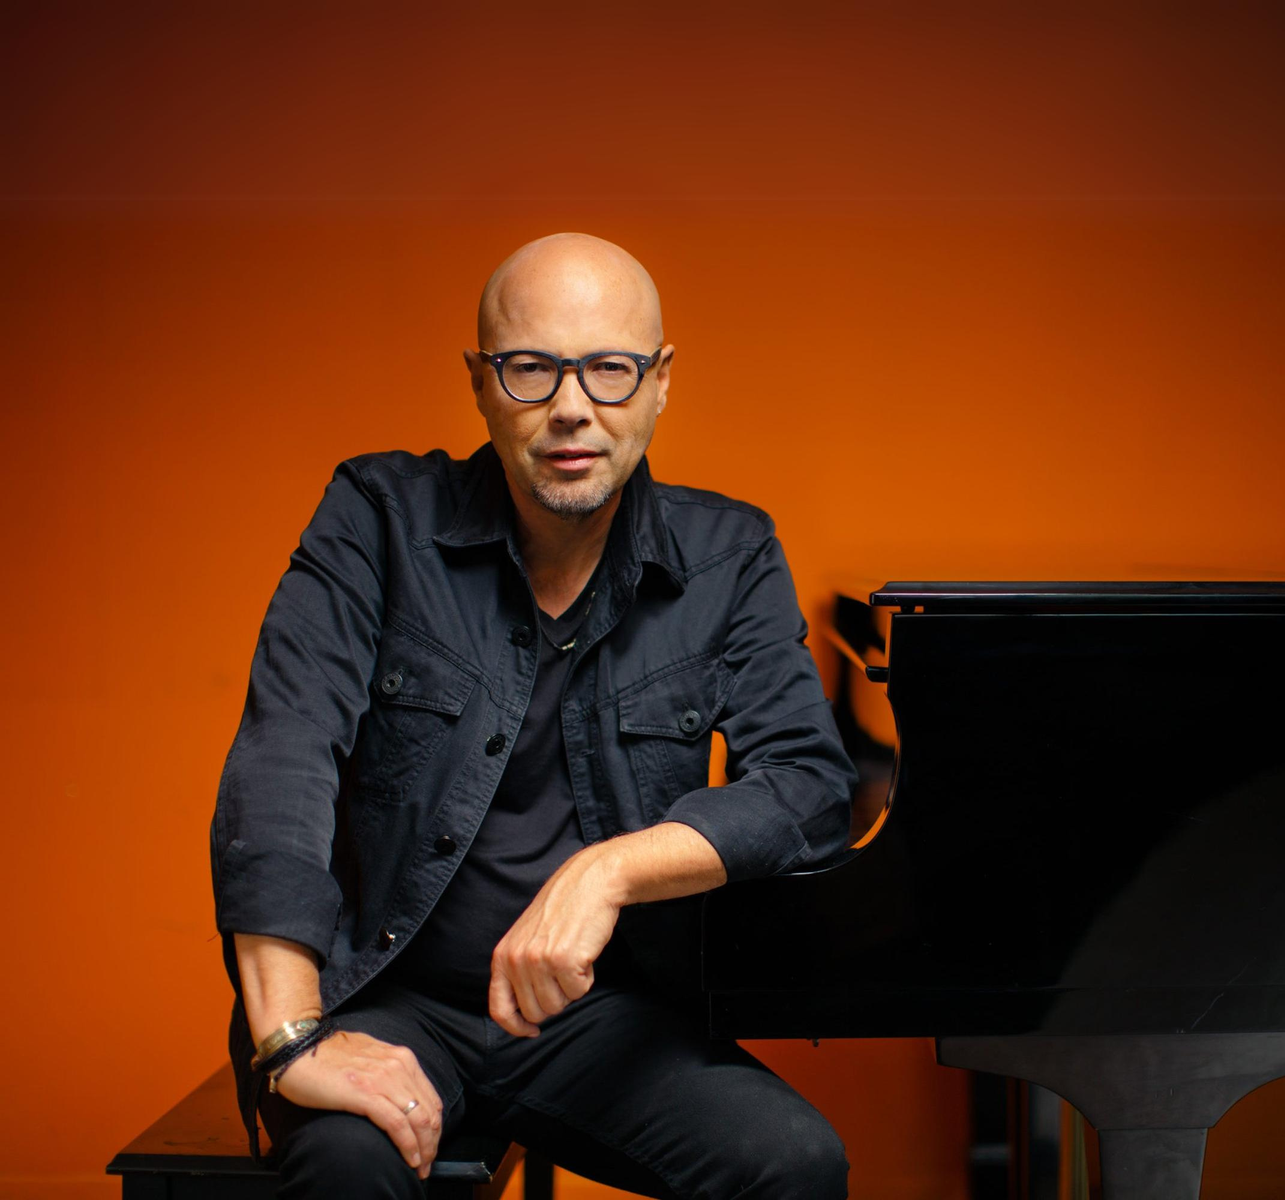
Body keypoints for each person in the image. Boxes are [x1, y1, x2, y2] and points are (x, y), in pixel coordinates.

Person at [209, 232, 859, 1198]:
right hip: (386, 1001)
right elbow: (282, 761)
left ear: (660, 382)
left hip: (604, 1022)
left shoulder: (730, 555)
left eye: (609, 370)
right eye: (530, 370)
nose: (571, 409)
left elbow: (809, 788)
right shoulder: (375, 517)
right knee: (346, 1170)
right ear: (478, 382)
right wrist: (292, 1038)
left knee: (796, 1166)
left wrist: (607, 872)